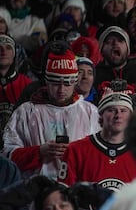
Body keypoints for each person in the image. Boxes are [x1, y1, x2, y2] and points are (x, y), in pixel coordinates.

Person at [2, 45, 100, 178]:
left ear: (74, 82)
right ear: (46, 82)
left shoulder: (90, 113)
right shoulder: (26, 112)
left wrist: (76, 153)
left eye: (66, 84)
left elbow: (101, 156)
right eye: (55, 83)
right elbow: (8, 156)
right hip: (35, 189)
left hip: (77, 188)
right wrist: (39, 152)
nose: (61, 90)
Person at [58, 91, 136, 193]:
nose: (118, 115)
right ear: (100, 116)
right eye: (111, 110)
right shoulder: (76, 150)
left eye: (123, 110)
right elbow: (64, 195)